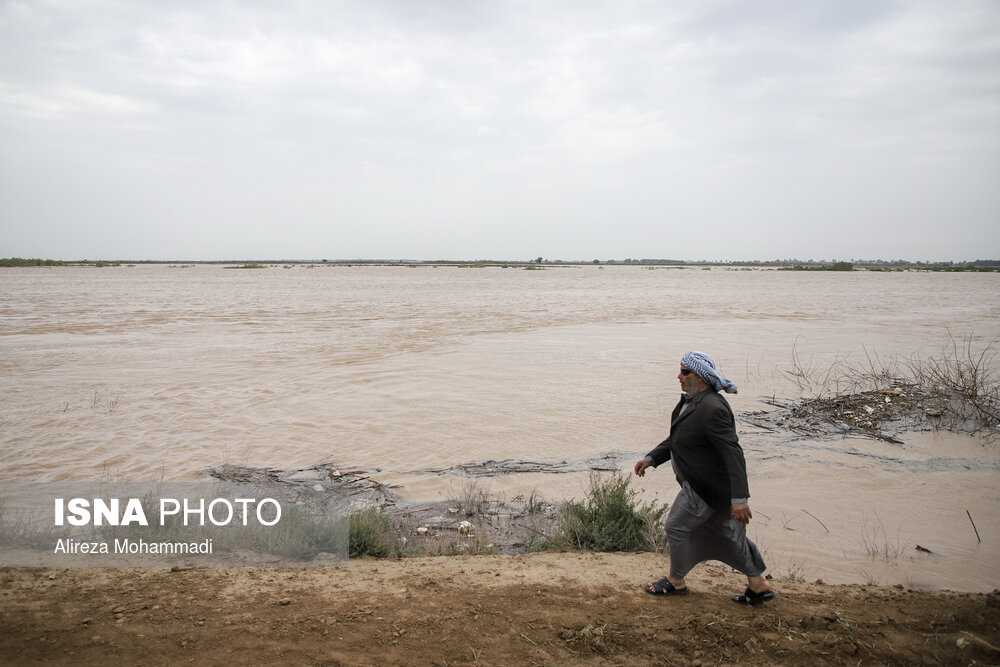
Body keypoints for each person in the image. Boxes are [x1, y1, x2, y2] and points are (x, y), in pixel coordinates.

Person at [634, 351, 774, 605]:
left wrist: (740, 498)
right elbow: (678, 439)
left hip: (705, 488)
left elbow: (734, 454)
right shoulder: (691, 402)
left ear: (701, 377)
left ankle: (676, 581)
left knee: (675, 526)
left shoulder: (713, 407)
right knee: (730, 534)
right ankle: (758, 584)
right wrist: (652, 458)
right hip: (711, 489)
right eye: (680, 370)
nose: (679, 376)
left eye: (685, 372)